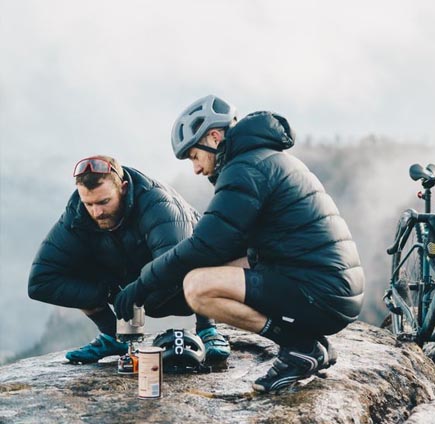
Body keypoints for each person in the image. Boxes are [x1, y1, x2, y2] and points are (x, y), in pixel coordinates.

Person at [115, 95, 364, 392]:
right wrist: (161, 284)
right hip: (329, 285)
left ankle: (299, 346)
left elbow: (205, 245)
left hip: (321, 292)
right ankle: (311, 343)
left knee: (198, 287)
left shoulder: (245, 169)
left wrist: (143, 283)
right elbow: (226, 248)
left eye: (194, 156)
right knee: (210, 272)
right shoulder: (264, 159)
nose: (195, 168)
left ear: (215, 137)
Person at [28, 155, 231, 364]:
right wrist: (106, 292)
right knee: (74, 268)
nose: (96, 212)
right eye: (89, 203)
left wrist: (139, 290)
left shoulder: (157, 204)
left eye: (104, 202)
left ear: (123, 188)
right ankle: (112, 337)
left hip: (183, 283)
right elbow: (40, 281)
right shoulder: (78, 214)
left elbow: (174, 264)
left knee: (194, 253)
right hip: (133, 276)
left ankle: (208, 329)